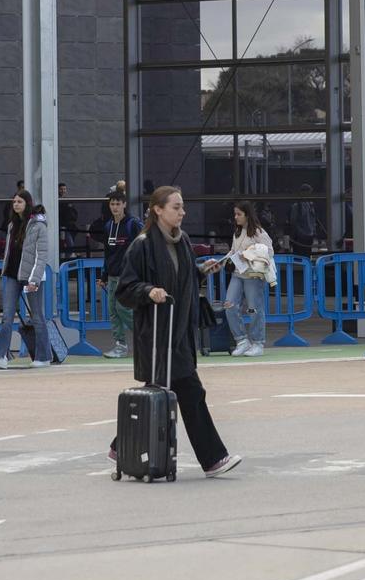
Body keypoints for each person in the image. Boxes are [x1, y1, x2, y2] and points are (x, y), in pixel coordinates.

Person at [112, 185, 242, 477]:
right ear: (158, 209)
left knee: (158, 392)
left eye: (182, 207)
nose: (182, 213)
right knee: (190, 393)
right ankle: (213, 459)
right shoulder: (143, 244)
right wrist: (149, 291)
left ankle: (121, 447)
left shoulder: (181, 241)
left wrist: (200, 271)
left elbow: (180, 278)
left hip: (178, 332)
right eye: (176, 207)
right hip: (158, 335)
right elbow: (125, 289)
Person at [0, 189, 53, 369]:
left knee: (37, 316)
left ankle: (43, 356)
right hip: (11, 274)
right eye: (14, 201)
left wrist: (35, 280)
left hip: (31, 276)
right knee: (7, 316)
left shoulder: (38, 225)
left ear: (27, 203)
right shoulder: (12, 225)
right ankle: (0, 355)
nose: (16, 204)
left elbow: (42, 255)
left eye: (19, 202)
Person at [208, 201, 276, 357]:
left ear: (247, 215)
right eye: (235, 214)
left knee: (254, 308)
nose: (236, 217)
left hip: (253, 275)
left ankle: (258, 342)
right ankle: (242, 340)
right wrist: (225, 259)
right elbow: (233, 250)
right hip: (238, 274)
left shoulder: (258, 232)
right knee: (229, 305)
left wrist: (250, 254)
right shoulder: (237, 233)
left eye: (239, 214)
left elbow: (269, 251)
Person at [95, 189, 140, 358]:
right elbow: (107, 253)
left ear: (124, 205)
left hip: (128, 275)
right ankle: (120, 345)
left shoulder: (133, 224)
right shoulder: (108, 226)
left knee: (123, 308)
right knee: (113, 310)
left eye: (118, 204)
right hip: (112, 275)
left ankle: (147, 336)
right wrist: (104, 276)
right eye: (112, 204)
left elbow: (143, 245)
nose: (115, 207)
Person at [287, 185, 322, 255]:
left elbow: (313, 220)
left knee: (307, 255)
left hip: (309, 236)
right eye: (308, 193)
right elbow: (293, 222)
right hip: (300, 237)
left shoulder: (310, 205)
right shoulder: (296, 206)